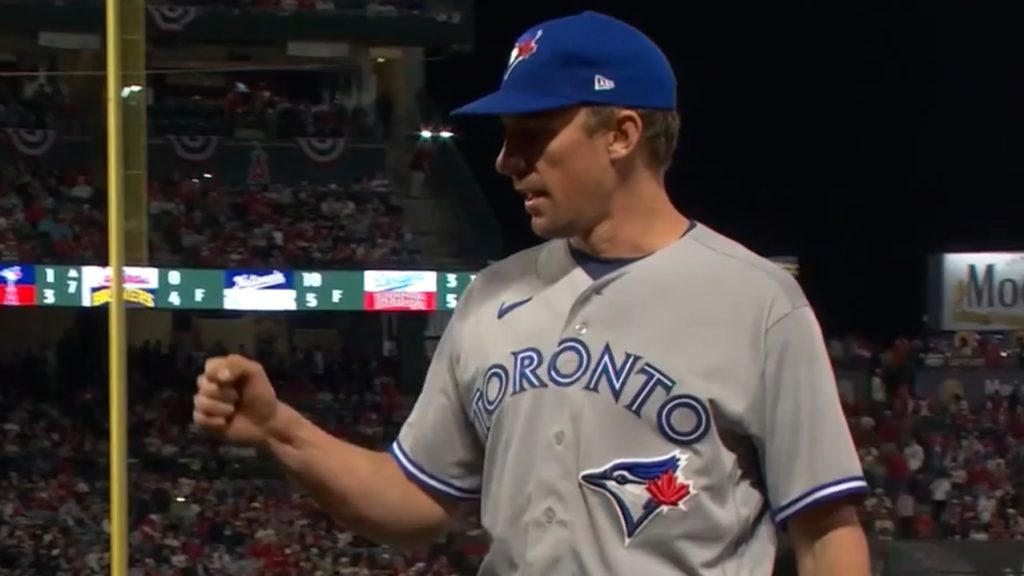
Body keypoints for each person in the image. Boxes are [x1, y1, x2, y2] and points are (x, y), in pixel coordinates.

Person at [193, 10, 871, 575]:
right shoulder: (493, 295)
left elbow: (825, 530)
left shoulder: (755, 301)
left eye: (534, 134)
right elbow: (416, 499)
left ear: (622, 133)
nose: (505, 160)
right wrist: (278, 429)